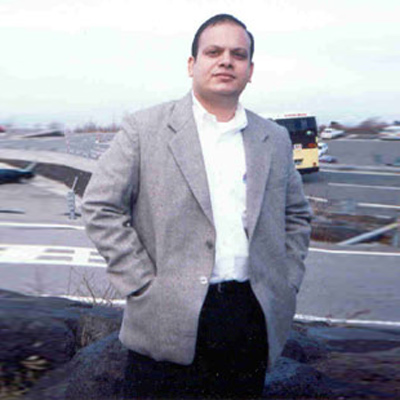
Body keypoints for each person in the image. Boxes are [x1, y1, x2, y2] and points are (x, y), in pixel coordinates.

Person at [82, 13, 312, 399]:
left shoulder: (273, 138)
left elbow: (297, 215)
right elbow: (100, 205)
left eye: (238, 54)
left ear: (250, 70)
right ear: (192, 64)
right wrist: (141, 283)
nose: (226, 61)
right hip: (165, 317)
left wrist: (286, 282)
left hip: (250, 316)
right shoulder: (145, 128)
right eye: (213, 52)